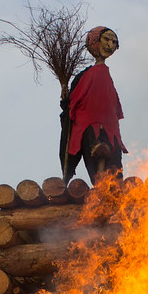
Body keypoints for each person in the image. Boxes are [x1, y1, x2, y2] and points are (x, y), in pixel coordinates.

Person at [59, 26, 126, 184]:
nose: (110, 45)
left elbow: (113, 106)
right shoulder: (85, 76)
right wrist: (66, 100)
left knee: (114, 174)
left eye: (114, 42)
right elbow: (73, 104)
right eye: (106, 39)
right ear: (95, 40)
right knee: (98, 174)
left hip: (110, 129)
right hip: (88, 128)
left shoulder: (105, 77)